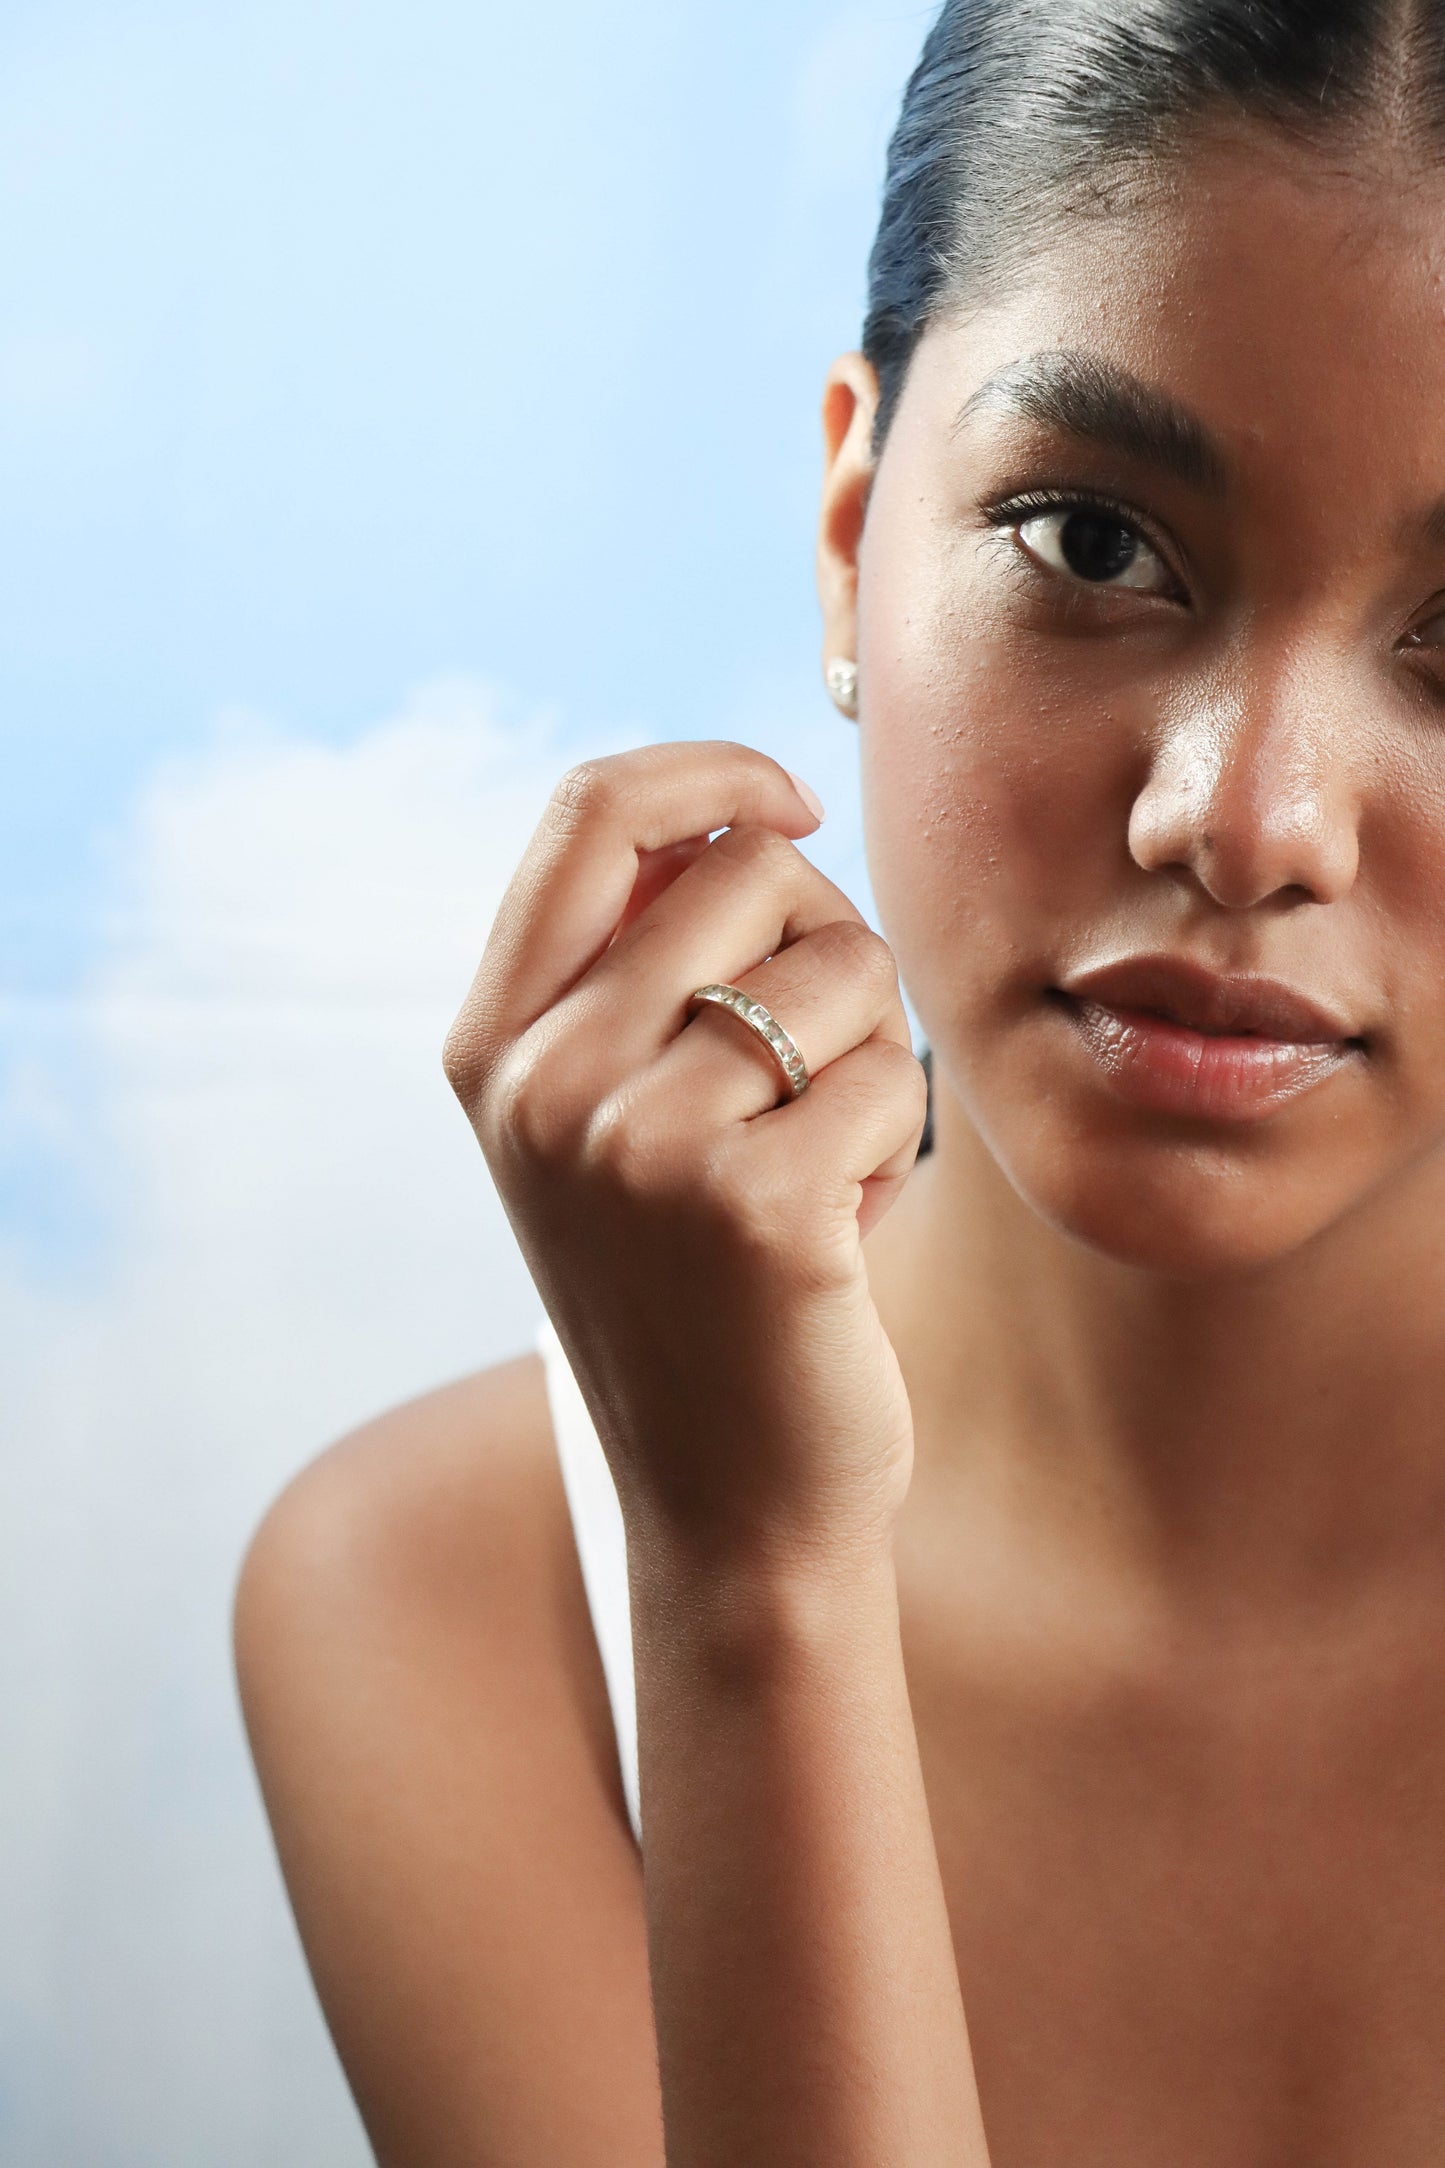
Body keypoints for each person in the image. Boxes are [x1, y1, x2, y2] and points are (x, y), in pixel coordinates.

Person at [233, 2, 1445, 2159]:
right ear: (850, 528)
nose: (1244, 820)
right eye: (1091, 541)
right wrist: (746, 1580)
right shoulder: (452, 1596)